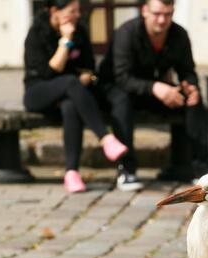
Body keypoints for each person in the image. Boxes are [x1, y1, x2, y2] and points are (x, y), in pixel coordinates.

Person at [98, 0, 208, 185]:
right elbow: (122, 77)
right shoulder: (126, 32)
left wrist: (191, 86)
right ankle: (127, 169)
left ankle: (202, 168)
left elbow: (187, 70)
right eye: (157, 14)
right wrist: (156, 87)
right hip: (116, 91)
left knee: (192, 99)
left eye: (168, 14)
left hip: (152, 92)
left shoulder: (179, 34)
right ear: (145, 11)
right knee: (122, 101)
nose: (162, 20)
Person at [23, 0, 136, 193]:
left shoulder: (81, 31)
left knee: (70, 105)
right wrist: (66, 41)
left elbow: (89, 66)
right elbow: (48, 72)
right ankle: (105, 138)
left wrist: (84, 75)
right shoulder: (36, 33)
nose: (76, 15)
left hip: (73, 96)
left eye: (77, 10)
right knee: (69, 82)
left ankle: (71, 173)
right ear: (54, 11)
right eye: (71, 11)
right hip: (39, 93)